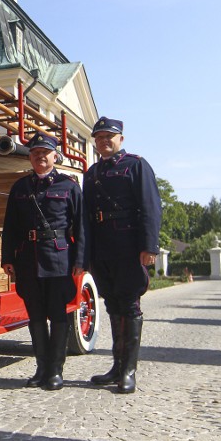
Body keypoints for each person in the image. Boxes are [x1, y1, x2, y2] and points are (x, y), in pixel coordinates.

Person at [1, 132, 85, 391]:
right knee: (35, 316)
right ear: (30, 156)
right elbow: (10, 226)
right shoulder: (20, 187)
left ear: (54, 156)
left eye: (45, 152)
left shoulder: (68, 186)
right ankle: (41, 368)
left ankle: (55, 371)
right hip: (28, 259)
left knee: (58, 315)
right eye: (35, 152)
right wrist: (8, 258)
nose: (40, 156)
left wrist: (80, 259)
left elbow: (81, 226)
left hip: (58, 259)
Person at [83, 116, 161, 394]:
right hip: (102, 248)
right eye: (99, 137)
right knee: (113, 305)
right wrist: (87, 254)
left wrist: (149, 247)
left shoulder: (136, 165)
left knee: (129, 306)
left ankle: (129, 371)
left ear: (121, 139)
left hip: (129, 247)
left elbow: (150, 208)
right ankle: (116, 367)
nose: (104, 141)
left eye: (109, 137)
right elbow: (87, 218)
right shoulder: (91, 173)